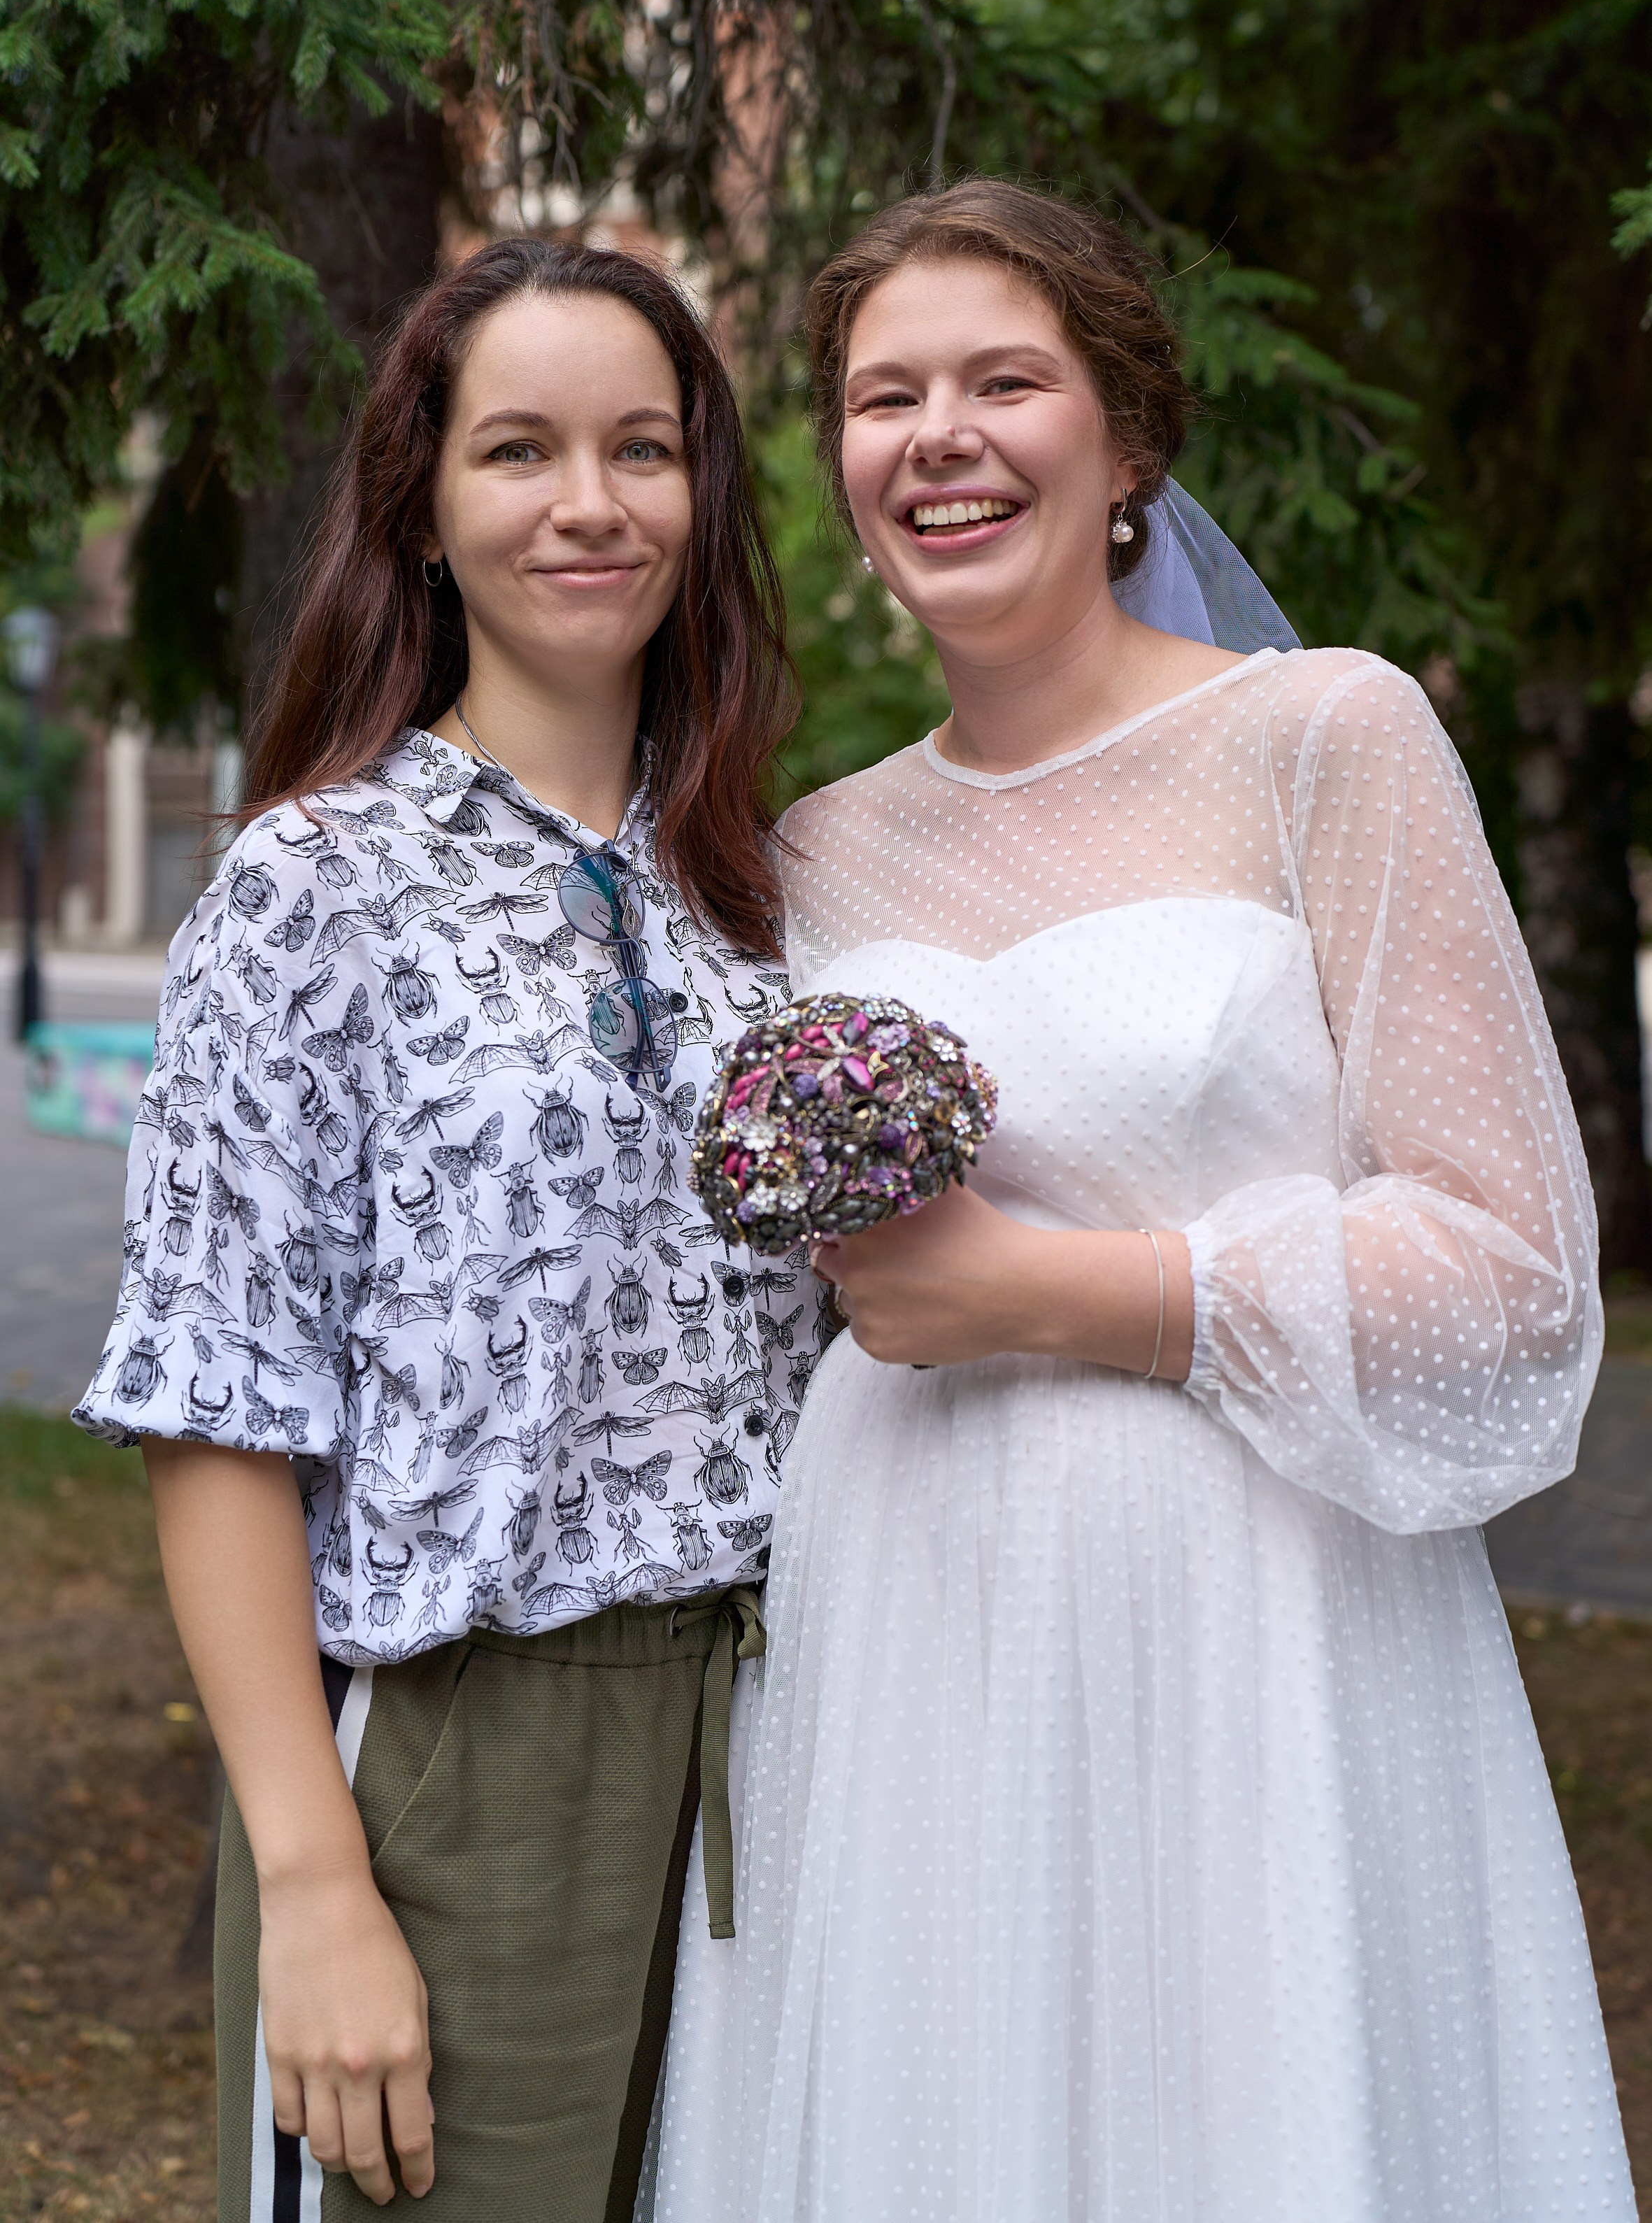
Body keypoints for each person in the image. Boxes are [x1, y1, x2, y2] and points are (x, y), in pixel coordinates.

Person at [641, 181, 1637, 2221]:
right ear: (836, 474)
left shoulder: (1323, 739)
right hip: (908, 1622)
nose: (939, 434)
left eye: (1005, 380)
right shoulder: (809, 857)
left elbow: (1516, 1272)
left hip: (1258, 1623)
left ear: (1126, 445)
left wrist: (1048, 1293)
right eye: (879, 396)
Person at [74, 236, 827, 2222]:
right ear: (420, 506)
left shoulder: (764, 893)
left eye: (642, 449)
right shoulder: (310, 887)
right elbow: (219, 1409)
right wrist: (318, 1882)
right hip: (456, 1758)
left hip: (789, 1742)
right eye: (519, 450)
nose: (590, 503)